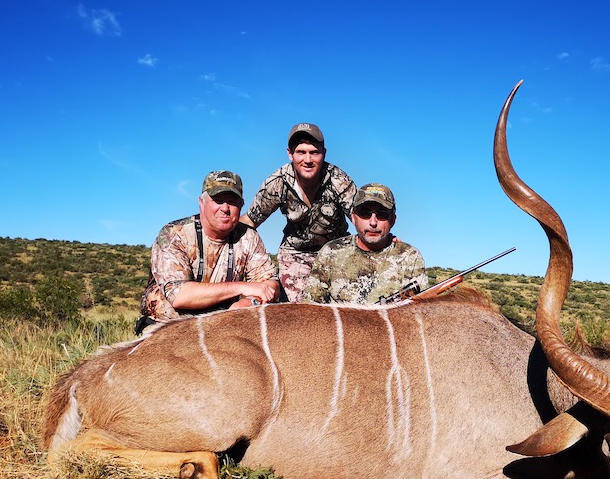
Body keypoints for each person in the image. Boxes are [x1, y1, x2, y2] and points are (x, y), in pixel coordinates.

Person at [138, 170, 280, 332]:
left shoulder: (249, 236)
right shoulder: (174, 234)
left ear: (241, 205)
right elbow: (179, 296)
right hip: (169, 328)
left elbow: (270, 284)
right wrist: (242, 287)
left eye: (232, 202)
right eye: (218, 201)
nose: (225, 208)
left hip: (221, 324)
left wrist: (249, 302)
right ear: (201, 202)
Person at [240, 122, 357, 303]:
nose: (307, 159)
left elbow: (362, 220)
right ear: (290, 153)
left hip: (337, 251)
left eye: (314, 152)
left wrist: (388, 239)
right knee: (297, 311)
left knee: (351, 302)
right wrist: (220, 237)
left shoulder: (338, 180)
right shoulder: (277, 183)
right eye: (301, 152)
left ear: (324, 153)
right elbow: (250, 220)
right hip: (295, 253)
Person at [300, 183, 428, 305]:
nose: (373, 222)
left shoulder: (409, 256)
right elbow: (310, 308)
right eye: (365, 213)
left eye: (382, 215)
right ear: (353, 218)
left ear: (392, 221)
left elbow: (421, 309)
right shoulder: (331, 252)